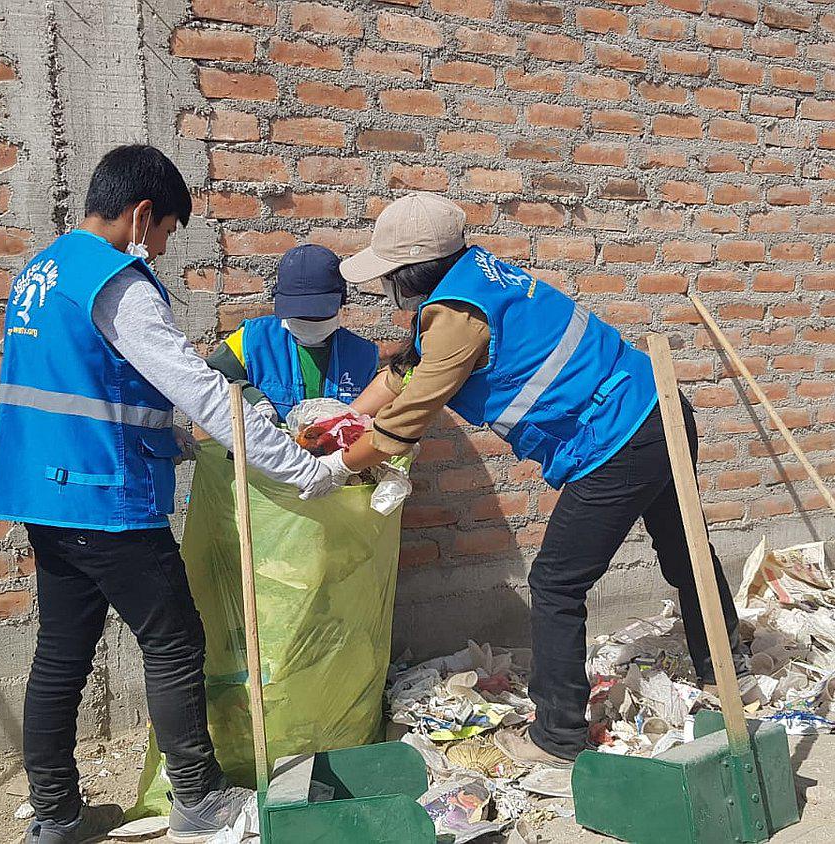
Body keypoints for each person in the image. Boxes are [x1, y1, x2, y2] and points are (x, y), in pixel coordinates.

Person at [0, 145, 347, 843]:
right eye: (170, 230)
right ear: (142, 214)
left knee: (61, 652)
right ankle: (200, 801)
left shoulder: (44, 270)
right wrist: (304, 470)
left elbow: (86, 387)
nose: (166, 247)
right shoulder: (117, 279)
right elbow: (200, 387)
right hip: (104, 497)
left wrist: (175, 443)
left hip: (42, 494)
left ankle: (56, 816)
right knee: (174, 641)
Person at [312, 191, 744, 766]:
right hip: (658, 406)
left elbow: (404, 424)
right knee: (684, 548)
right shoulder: (476, 280)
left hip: (616, 441)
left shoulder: (456, 317)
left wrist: (334, 466)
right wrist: (346, 418)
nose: (387, 287)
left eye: (389, 275)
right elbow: (404, 371)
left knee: (557, 584)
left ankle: (557, 735)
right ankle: (725, 664)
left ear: (410, 272)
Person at [205, 244, 378, 421]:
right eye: (299, 315)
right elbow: (209, 377)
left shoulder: (364, 356)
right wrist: (251, 398)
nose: (309, 321)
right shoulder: (252, 339)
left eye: (317, 314)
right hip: (262, 447)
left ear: (340, 303)